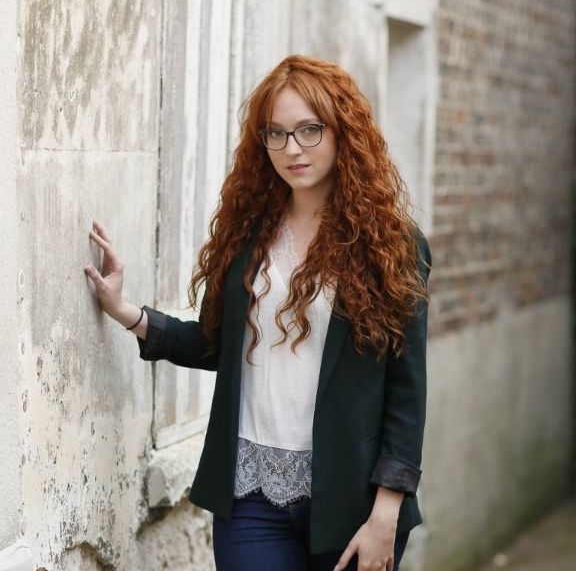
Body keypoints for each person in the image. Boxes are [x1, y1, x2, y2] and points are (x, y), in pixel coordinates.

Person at [85, 54, 431, 571]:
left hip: (353, 503)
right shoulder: (246, 236)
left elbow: (407, 392)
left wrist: (386, 514)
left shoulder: (394, 246)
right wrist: (124, 310)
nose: (292, 148)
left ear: (344, 132)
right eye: (276, 133)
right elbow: (214, 345)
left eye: (309, 130)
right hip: (250, 498)